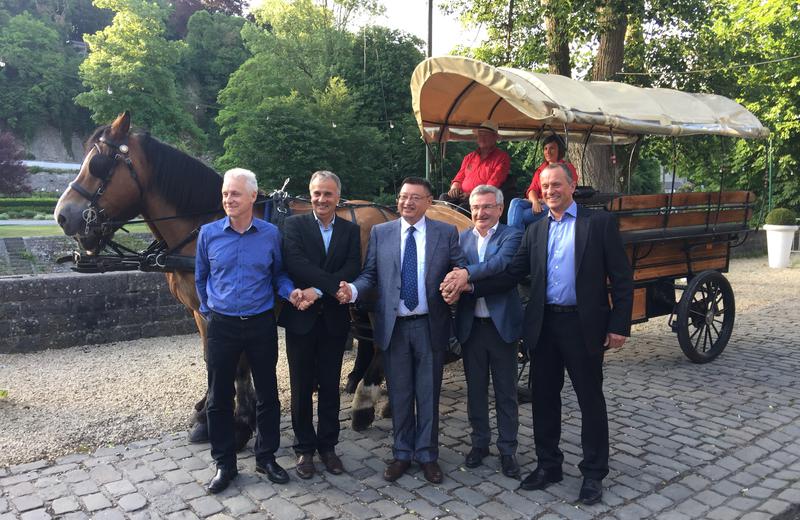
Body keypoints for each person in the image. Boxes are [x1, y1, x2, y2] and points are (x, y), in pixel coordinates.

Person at [471, 163, 633, 505]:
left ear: (571, 186)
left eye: (556, 184)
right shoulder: (536, 230)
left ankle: (593, 473)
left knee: (590, 400)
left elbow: (621, 277)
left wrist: (619, 325)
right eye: (544, 186)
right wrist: (469, 285)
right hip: (544, 326)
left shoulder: (599, 223)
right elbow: (512, 274)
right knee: (544, 398)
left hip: (583, 325)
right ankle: (549, 465)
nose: (549, 191)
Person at [336, 177, 466, 484]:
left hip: (428, 325)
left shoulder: (444, 232)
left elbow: (458, 265)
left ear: (429, 202)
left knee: (428, 393)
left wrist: (459, 278)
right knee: (401, 393)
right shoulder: (382, 233)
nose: (406, 202)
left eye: (415, 198)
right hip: (394, 328)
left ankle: (428, 456)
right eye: (403, 197)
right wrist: (353, 290)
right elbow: (370, 275)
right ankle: (402, 453)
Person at [195, 168, 305, 494]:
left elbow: (279, 276)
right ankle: (224, 464)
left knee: (268, 394)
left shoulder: (270, 234)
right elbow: (201, 278)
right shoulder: (209, 234)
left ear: (253, 197)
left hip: (260, 324)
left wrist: (291, 292)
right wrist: (209, 309)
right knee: (218, 398)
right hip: (223, 325)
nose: (228, 199)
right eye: (226, 194)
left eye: (235, 194)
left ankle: (266, 457)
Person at [278, 170, 361, 479]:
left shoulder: (351, 231)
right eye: (317, 193)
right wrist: (324, 287)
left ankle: (328, 447)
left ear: (338, 197)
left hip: (334, 321)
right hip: (302, 317)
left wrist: (318, 289)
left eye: (328, 194)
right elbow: (295, 263)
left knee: (330, 386)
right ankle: (303, 449)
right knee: (300, 387)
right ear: (309, 194)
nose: (322, 199)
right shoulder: (294, 225)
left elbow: (354, 266)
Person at [439, 185, 523, 479]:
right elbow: (455, 268)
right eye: (475, 207)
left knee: (506, 392)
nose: (481, 213)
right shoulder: (461, 239)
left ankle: (508, 449)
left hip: (501, 327)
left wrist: (466, 276)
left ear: (500, 209)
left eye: (487, 207)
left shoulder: (512, 235)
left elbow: (501, 266)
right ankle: (479, 443)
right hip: (471, 326)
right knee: (475, 390)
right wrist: (452, 285)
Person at [506, 134, 578, 231]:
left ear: (559, 150)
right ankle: (514, 240)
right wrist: (535, 201)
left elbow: (567, 190)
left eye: (552, 148)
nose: (548, 152)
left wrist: (542, 200)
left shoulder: (567, 168)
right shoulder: (541, 170)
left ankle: (514, 242)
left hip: (555, 204)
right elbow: (532, 190)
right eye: (545, 148)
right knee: (515, 202)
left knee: (519, 216)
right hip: (538, 203)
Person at [441, 120, 510, 207]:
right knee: (443, 198)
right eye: (480, 135)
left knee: (462, 208)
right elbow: (459, 177)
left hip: (482, 200)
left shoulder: (502, 158)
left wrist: (472, 195)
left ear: (494, 137)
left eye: (486, 135)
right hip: (461, 196)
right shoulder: (469, 157)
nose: (482, 138)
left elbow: (492, 185)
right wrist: (454, 187)